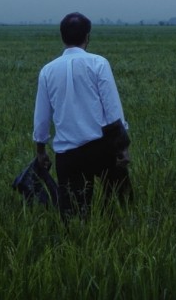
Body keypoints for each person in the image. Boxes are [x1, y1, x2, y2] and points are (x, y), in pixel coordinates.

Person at [32, 12, 132, 220]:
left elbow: (41, 118)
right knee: (120, 207)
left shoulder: (47, 71)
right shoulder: (99, 64)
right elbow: (113, 110)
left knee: (74, 216)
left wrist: (40, 150)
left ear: (62, 37)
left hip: (68, 154)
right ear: (88, 36)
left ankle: (78, 245)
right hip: (101, 148)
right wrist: (122, 147)